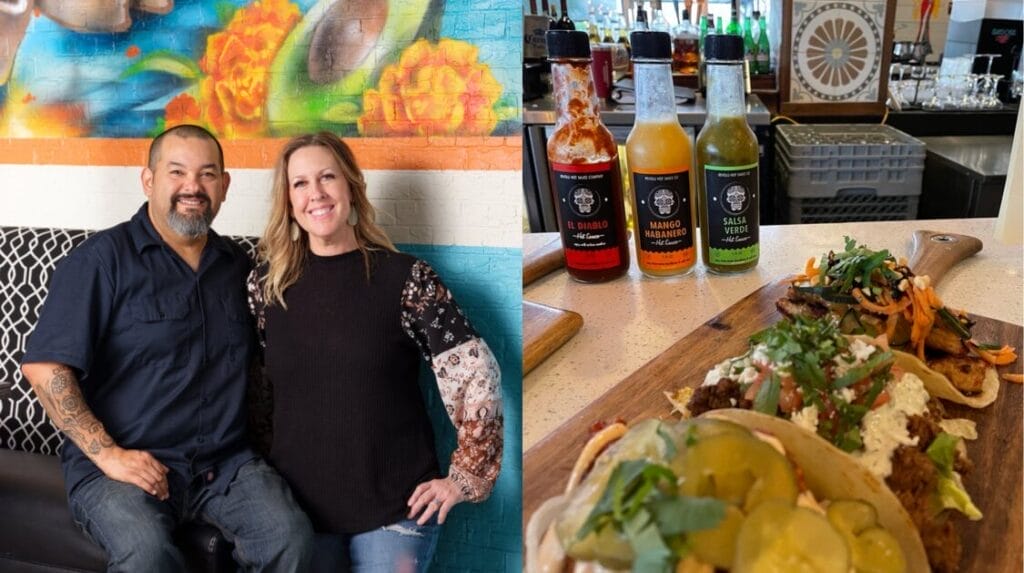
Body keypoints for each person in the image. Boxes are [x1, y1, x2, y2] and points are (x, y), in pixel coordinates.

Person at [20, 124, 314, 572]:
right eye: (176, 172)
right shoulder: (100, 261)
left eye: (207, 174)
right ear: (149, 180)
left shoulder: (239, 268)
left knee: (290, 538)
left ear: (225, 185)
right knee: (147, 555)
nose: (192, 187)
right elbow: (45, 369)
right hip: (122, 465)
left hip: (225, 466)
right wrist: (109, 455)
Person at [245, 132, 504, 572]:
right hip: (298, 512)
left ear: (351, 186)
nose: (316, 193)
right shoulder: (266, 287)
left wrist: (465, 476)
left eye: (328, 177)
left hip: (396, 507)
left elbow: (477, 373)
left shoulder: (408, 280)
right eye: (300, 183)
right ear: (288, 201)